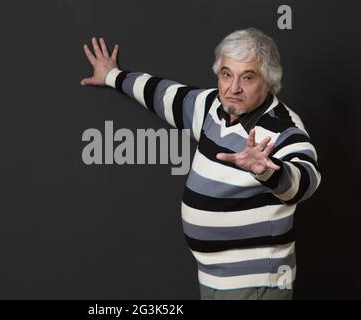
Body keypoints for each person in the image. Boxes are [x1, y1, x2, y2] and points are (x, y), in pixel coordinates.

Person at [80, 28, 321, 300]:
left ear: (269, 80)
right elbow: (164, 94)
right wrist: (112, 76)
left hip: (256, 283)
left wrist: (267, 170)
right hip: (213, 277)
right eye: (226, 74)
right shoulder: (211, 106)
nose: (233, 88)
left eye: (248, 77)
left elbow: (306, 181)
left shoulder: (282, 127)